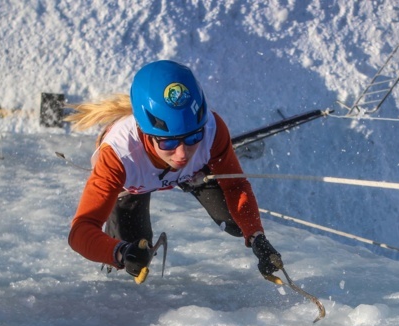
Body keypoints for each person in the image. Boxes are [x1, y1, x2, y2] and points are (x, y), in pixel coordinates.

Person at [66, 60, 282, 283]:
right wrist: (119, 252)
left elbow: (236, 186)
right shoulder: (118, 155)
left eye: (192, 138)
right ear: (144, 133)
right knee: (137, 257)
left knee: (239, 224)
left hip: (192, 172)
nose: (182, 154)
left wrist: (256, 236)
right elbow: (80, 232)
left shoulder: (212, 129)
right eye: (169, 143)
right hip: (133, 185)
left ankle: (188, 176)